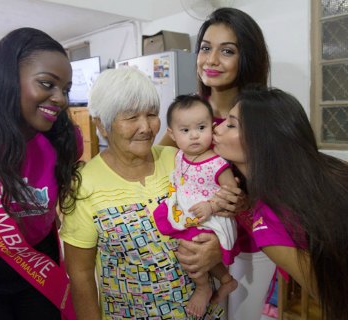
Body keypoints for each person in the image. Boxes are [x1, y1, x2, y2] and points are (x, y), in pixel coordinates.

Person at [60, 67, 224, 319]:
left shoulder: (180, 160)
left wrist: (217, 247)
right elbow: (81, 275)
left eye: (151, 114)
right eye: (130, 117)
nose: (146, 127)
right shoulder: (83, 185)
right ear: (101, 124)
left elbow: (225, 208)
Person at [0, 27, 82, 320]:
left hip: (38, 264)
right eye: (47, 83)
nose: (60, 99)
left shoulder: (65, 137)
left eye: (66, 89)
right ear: (8, 78)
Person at [161, 7, 276, 320]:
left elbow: (281, 193)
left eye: (227, 51)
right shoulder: (189, 115)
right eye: (205, 48)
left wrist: (235, 215)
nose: (210, 60)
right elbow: (162, 169)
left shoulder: (262, 117)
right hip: (195, 249)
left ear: (247, 57)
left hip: (252, 251)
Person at [213, 86, 348, 320]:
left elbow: (333, 295)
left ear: (262, 141)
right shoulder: (326, 169)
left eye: (231, 124)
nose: (217, 127)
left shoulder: (269, 225)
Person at [153, 94, 238, 317]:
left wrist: (210, 206)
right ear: (172, 134)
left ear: (212, 127)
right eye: (185, 130)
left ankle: (203, 287)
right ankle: (226, 280)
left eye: (201, 127)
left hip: (213, 218)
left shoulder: (217, 163)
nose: (195, 136)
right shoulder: (179, 155)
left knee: (188, 250)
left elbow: (232, 195)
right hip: (190, 211)